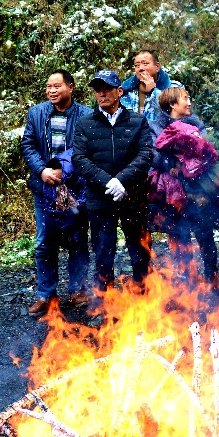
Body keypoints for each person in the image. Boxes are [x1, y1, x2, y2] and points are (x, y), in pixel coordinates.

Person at [72, 70, 154, 295]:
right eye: (98, 89)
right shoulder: (85, 124)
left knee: (140, 249)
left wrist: (122, 181)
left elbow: (146, 154)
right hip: (100, 198)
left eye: (107, 88)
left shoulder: (137, 121)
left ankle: (144, 295)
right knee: (102, 252)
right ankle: (104, 302)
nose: (102, 94)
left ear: (119, 91)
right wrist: (108, 182)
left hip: (133, 196)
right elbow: (79, 158)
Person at [20, 69, 91, 316]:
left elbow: (85, 148)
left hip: (74, 189)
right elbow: (28, 144)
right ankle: (46, 294)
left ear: (70, 87)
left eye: (57, 86)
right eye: (48, 86)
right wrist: (42, 171)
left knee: (78, 239)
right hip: (44, 187)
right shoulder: (37, 113)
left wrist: (65, 171)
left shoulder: (86, 115)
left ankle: (77, 289)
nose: (51, 90)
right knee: (44, 242)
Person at [150, 85, 219, 288]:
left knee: (204, 231)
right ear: (172, 104)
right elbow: (152, 153)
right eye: (185, 98)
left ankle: (211, 276)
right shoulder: (156, 126)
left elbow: (208, 148)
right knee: (178, 234)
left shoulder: (196, 124)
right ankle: (187, 279)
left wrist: (191, 164)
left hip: (197, 187)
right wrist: (171, 163)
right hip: (172, 191)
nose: (189, 102)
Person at [120, 50, 169, 124]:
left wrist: (154, 92)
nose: (140, 68)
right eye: (137, 65)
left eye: (145, 64)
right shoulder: (127, 92)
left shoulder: (174, 88)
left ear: (157, 67)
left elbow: (172, 114)